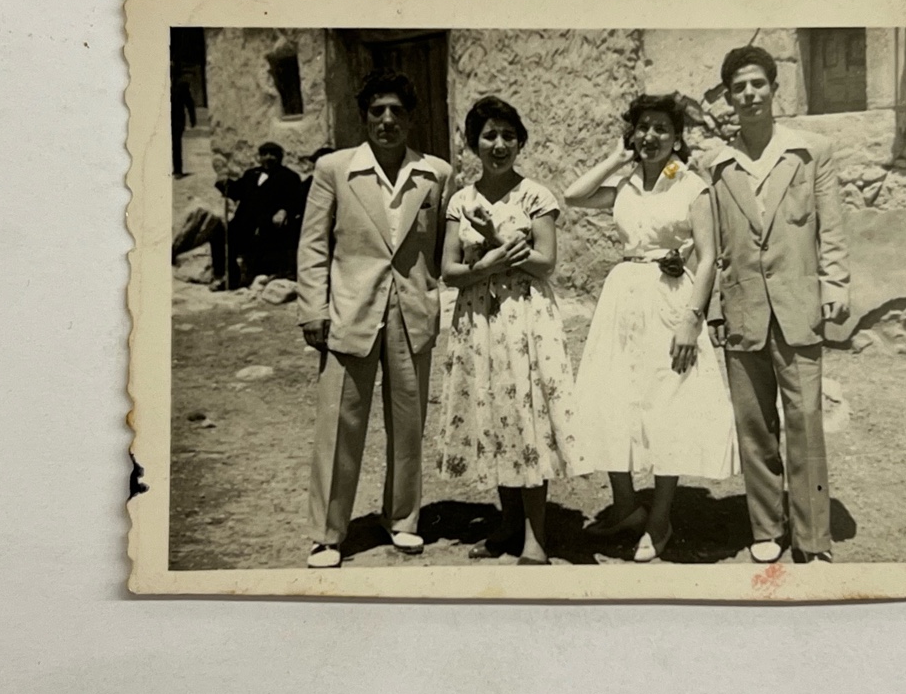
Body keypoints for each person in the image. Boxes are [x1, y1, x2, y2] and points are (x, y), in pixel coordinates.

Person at [564, 94, 738, 563]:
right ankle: (625, 507)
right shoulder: (624, 186)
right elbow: (573, 196)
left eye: (661, 128)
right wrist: (615, 159)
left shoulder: (691, 186)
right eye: (643, 127)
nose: (650, 136)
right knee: (612, 397)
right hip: (622, 299)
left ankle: (660, 518)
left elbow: (708, 258)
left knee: (668, 402)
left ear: (677, 137)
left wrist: (692, 319)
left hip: (671, 300)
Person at [297, 70, 454, 569]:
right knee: (339, 424)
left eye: (397, 111)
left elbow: (442, 246)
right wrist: (313, 309)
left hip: (412, 313)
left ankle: (403, 518)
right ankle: (327, 534)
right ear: (364, 116)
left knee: (408, 425)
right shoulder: (334, 169)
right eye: (377, 111)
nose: (387, 120)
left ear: (411, 119)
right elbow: (313, 245)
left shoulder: (436, 174)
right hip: (350, 311)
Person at [704, 45, 850, 564]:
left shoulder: (811, 152)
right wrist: (715, 308)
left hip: (797, 304)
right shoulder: (716, 164)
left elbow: (831, 228)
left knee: (805, 419)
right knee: (754, 424)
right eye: (738, 88)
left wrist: (835, 285)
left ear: (773, 88)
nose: (749, 95)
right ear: (728, 98)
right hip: (742, 308)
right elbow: (712, 243)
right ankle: (766, 527)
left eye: (757, 84)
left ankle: (812, 536)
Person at [437, 97, 579, 566]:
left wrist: (495, 239)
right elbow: (449, 271)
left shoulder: (536, 196)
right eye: (489, 136)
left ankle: (536, 538)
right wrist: (485, 267)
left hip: (525, 319)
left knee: (526, 417)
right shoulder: (461, 201)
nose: (499, 145)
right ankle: (508, 526)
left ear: (520, 142)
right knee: (495, 414)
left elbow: (545, 263)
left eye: (508, 135)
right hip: (479, 320)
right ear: (473, 143)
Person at [209, 142, 306, 290]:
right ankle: (228, 277)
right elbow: (236, 191)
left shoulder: (290, 177)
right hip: (243, 224)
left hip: (268, 226)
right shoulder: (251, 174)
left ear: (280, 157)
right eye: (264, 154)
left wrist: (284, 211)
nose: (268, 157)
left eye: (273, 154)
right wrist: (223, 183)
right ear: (259, 157)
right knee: (219, 235)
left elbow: (296, 201)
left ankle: (266, 275)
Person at [170, 64, 197, 178]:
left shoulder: (182, 86)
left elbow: (189, 103)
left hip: (177, 120)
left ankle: (177, 170)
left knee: (176, 145)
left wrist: (193, 118)